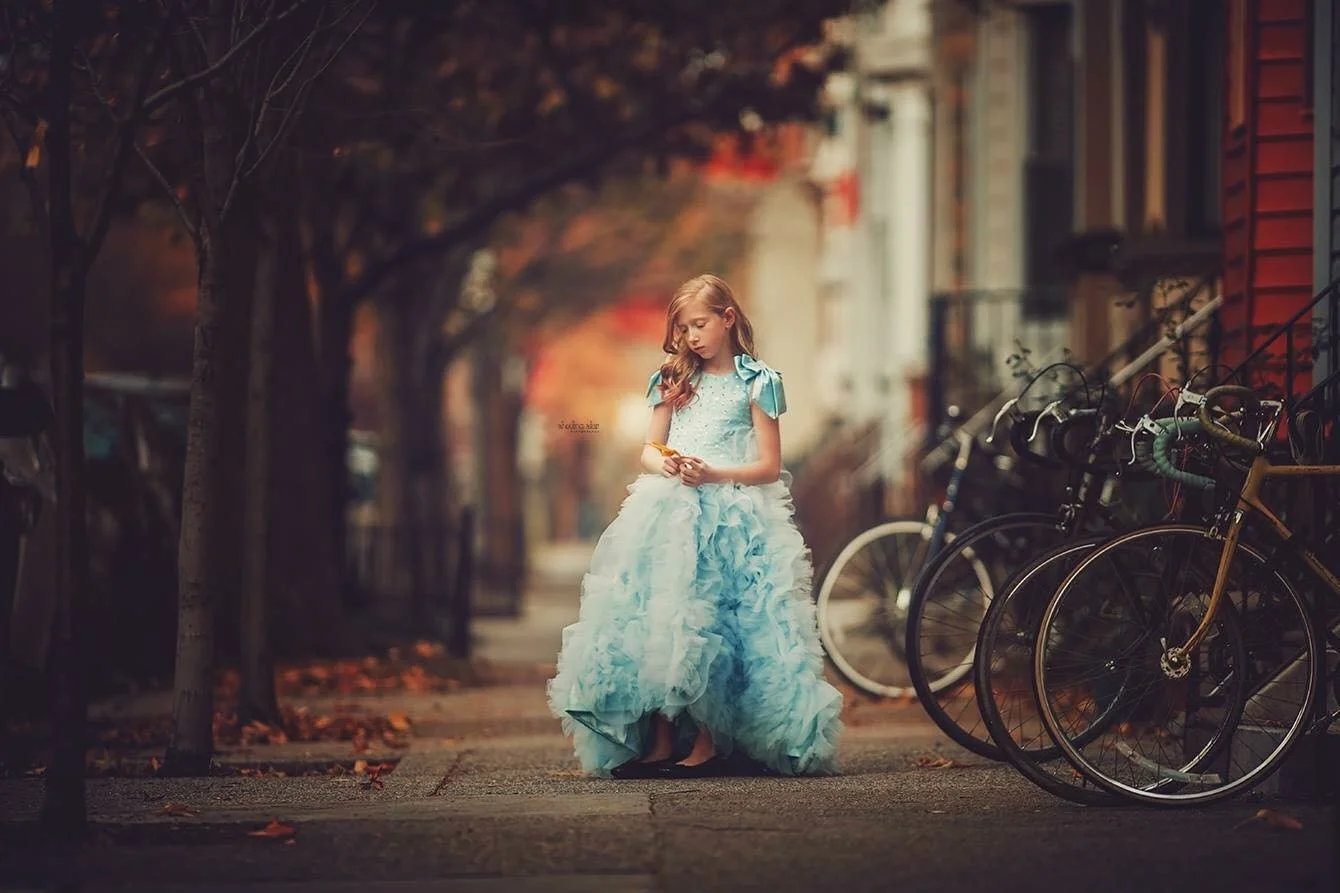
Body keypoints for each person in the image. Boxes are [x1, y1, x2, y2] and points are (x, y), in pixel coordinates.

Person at [546, 274, 843, 779]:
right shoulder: (673, 379)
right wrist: (661, 464)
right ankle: (660, 740)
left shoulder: (757, 382)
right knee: (662, 618)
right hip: (670, 511)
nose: (691, 337)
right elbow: (649, 448)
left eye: (700, 324)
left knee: (716, 623)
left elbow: (770, 465)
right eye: (683, 329)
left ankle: (706, 741)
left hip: (731, 515)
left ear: (728, 318)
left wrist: (713, 472)